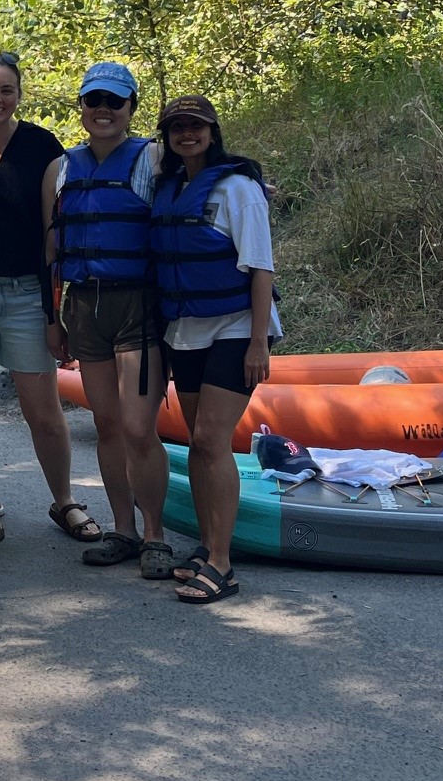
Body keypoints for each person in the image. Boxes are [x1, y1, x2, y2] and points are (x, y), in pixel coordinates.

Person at [0, 51, 103, 553]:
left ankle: (65, 500)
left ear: (19, 95)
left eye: (7, 90)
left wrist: (57, 310)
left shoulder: (42, 148)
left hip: (27, 292)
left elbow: (56, 231)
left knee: (42, 406)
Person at [43, 63, 174, 576]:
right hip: (84, 305)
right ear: (81, 107)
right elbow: (50, 251)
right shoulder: (63, 168)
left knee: (140, 428)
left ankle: (155, 535)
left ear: (131, 109)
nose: (103, 109)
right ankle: (123, 529)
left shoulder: (154, 159)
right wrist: (53, 318)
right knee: (107, 425)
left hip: (137, 304)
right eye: (93, 99)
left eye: (114, 101)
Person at [150, 94, 280, 605]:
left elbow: (261, 267)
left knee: (210, 439)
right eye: (177, 127)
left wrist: (256, 342)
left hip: (235, 328)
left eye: (196, 126)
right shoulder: (168, 187)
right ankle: (208, 548)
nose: (187, 134)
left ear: (212, 131)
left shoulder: (238, 189)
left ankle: (223, 564)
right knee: (201, 445)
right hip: (186, 330)